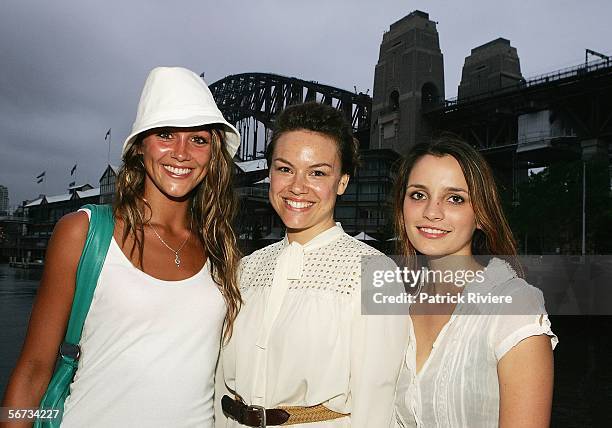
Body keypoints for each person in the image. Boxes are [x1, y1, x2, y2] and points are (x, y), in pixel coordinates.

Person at [2, 67, 242, 428]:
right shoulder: (83, 232)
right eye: (165, 134)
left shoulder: (221, 246)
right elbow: (34, 370)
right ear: (140, 146)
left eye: (198, 139)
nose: (181, 153)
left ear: (213, 153)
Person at [215, 102, 409, 427]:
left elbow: (377, 403)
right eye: (285, 168)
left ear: (343, 182)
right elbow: (221, 383)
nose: (297, 186)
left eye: (317, 172)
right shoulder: (245, 269)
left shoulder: (373, 273)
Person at [391, 135, 557, 427]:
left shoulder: (514, 306)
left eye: (455, 198)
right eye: (418, 194)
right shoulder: (395, 304)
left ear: (480, 214)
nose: (431, 212)